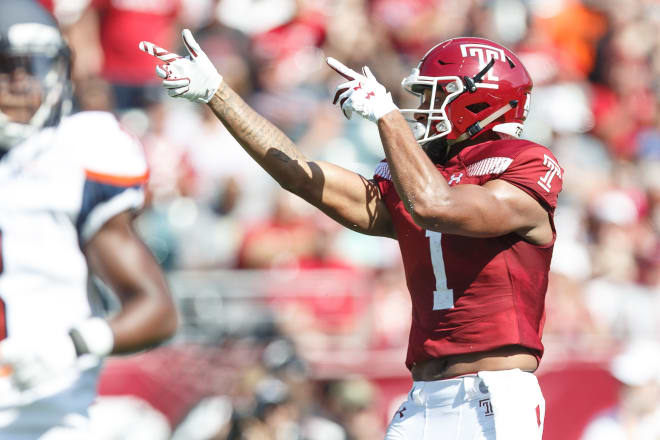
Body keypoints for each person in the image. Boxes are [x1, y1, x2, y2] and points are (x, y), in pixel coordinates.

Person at [140, 28, 563, 439]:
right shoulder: (420, 174)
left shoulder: (523, 163)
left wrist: (387, 116)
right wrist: (218, 92)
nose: (423, 107)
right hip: (423, 397)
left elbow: (439, 206)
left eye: (436, 95)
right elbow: (300, 175)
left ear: (478, 103)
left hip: (493, 396)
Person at [0, 1, 178, 438]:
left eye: (35, 66)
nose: (22, 82)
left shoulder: (75, 152)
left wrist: (71, 345)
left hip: (41, 420)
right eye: (6, 66)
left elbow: (156, 311)